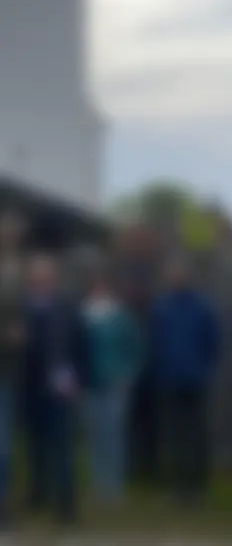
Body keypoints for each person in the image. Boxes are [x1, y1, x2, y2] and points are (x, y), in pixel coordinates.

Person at [21, 251, 89, 523]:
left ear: (54, 277)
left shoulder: (67, 306)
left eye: (46, 274)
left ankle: (66, 504)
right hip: (28, 386)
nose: (42, 279)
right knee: (35, 444)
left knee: (61, 446)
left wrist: (79, 377)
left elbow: (81, 345)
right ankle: (39, 493)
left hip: (60, 385)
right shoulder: (24, 307)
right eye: (37, 275)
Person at [148, 257, 220, 507]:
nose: (175, 278)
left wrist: (204, 368)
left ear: (187, 277)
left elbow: (213, 342)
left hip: (195, 380)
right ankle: (178, 489)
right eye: (172, 274)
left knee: (196, 435)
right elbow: (155, 341)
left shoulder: (202, 307)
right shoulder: (161, 307)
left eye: (179, 274)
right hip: (169, 380)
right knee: (175, 436)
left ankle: (197, 488)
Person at [83, 271, 144, 505]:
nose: (99, 293)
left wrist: (128, 375)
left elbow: (136, 347)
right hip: (90, 384)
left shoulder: (122, 317)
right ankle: (99, 485)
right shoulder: (83, 315)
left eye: (103, 289)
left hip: (115, 384)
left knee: (114, 434)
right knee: (95, 435)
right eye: (96, 289)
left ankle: (114, 486)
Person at [0, 214, 25, 529]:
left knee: (3, 445)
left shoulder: (17, 273)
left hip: (5, 372)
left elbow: (21, 328)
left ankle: (2, 507)